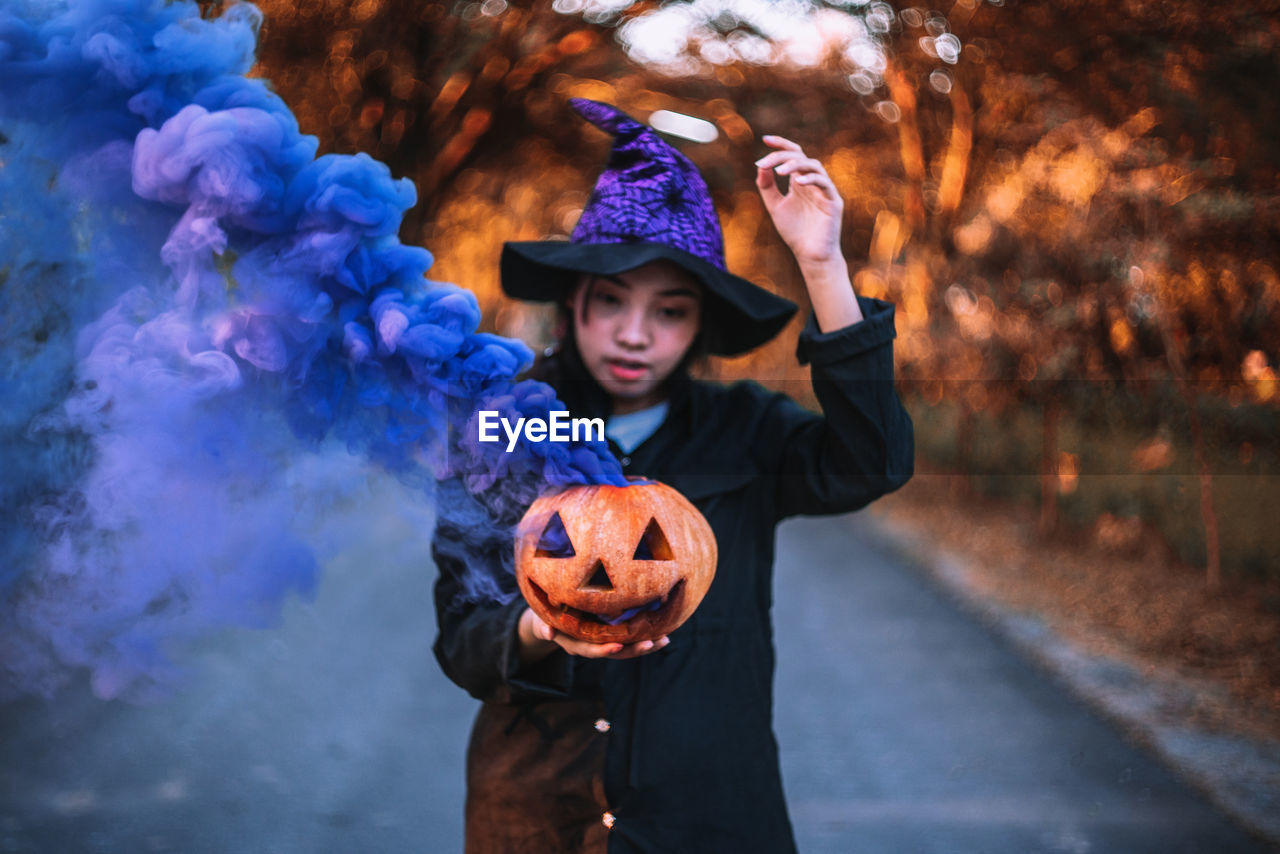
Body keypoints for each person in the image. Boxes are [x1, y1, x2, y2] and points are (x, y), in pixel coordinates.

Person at [432, 98, 914, 854]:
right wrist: (544, 625)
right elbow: (461, 641)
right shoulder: (504, 432)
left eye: (669, 311)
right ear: (573, 308)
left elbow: (874, 462)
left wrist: (823, 266)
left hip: (709, 814)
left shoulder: (748, 429)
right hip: (535, 815)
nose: (634, 333)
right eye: (611, 303)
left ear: (699, 329)